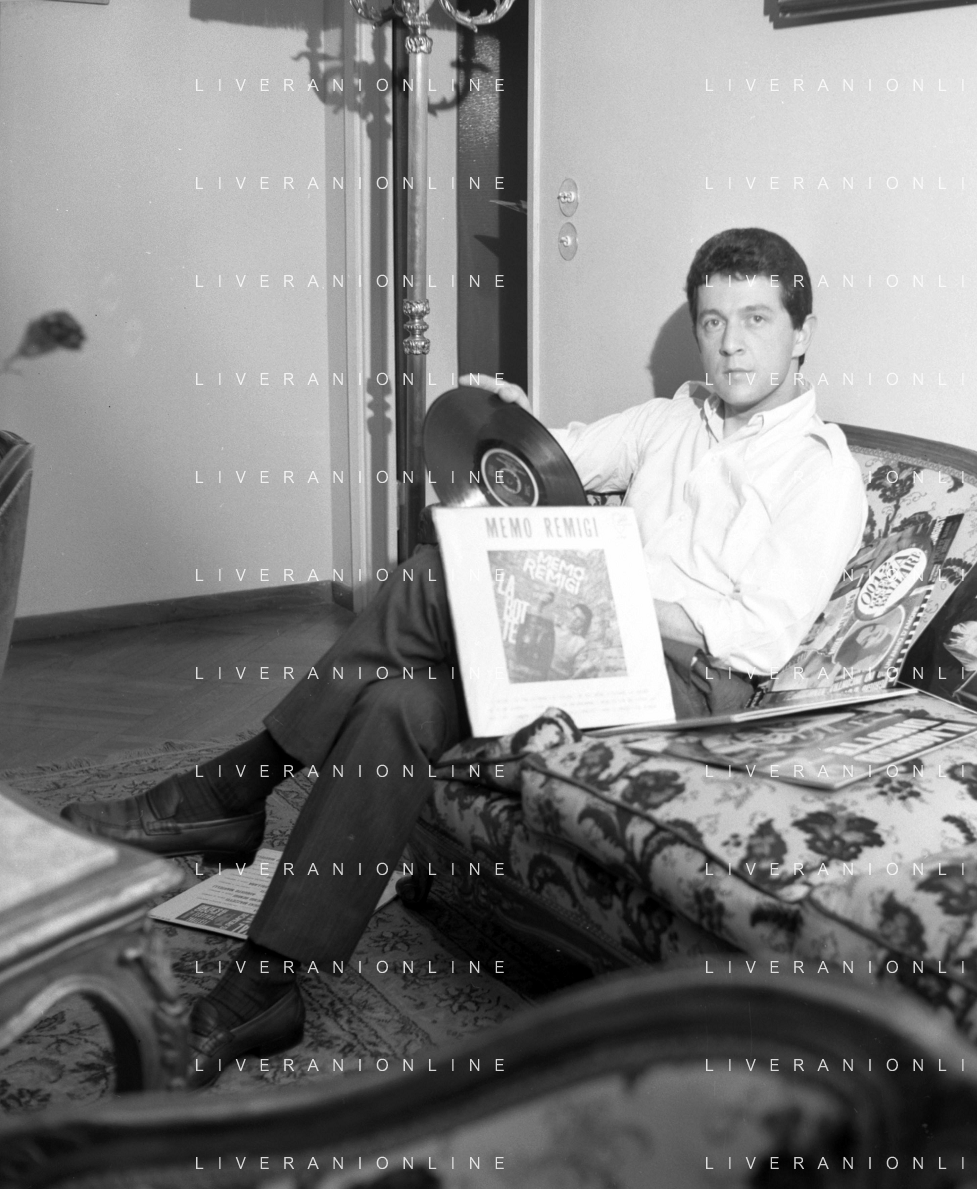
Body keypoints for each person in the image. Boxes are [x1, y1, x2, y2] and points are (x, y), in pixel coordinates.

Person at [60, 227, 867, 1085]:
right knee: (397, 704)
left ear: (801, 333)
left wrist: (606, 587)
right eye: (712, 321)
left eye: (756, 319)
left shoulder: (819, 470)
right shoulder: (672, 419)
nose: (731, 342)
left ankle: (237, 785)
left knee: (433, 573)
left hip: (689, 689)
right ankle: (265, 983)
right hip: (597, 645)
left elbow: (752, 634)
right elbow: (549, 463)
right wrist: (510, 419)